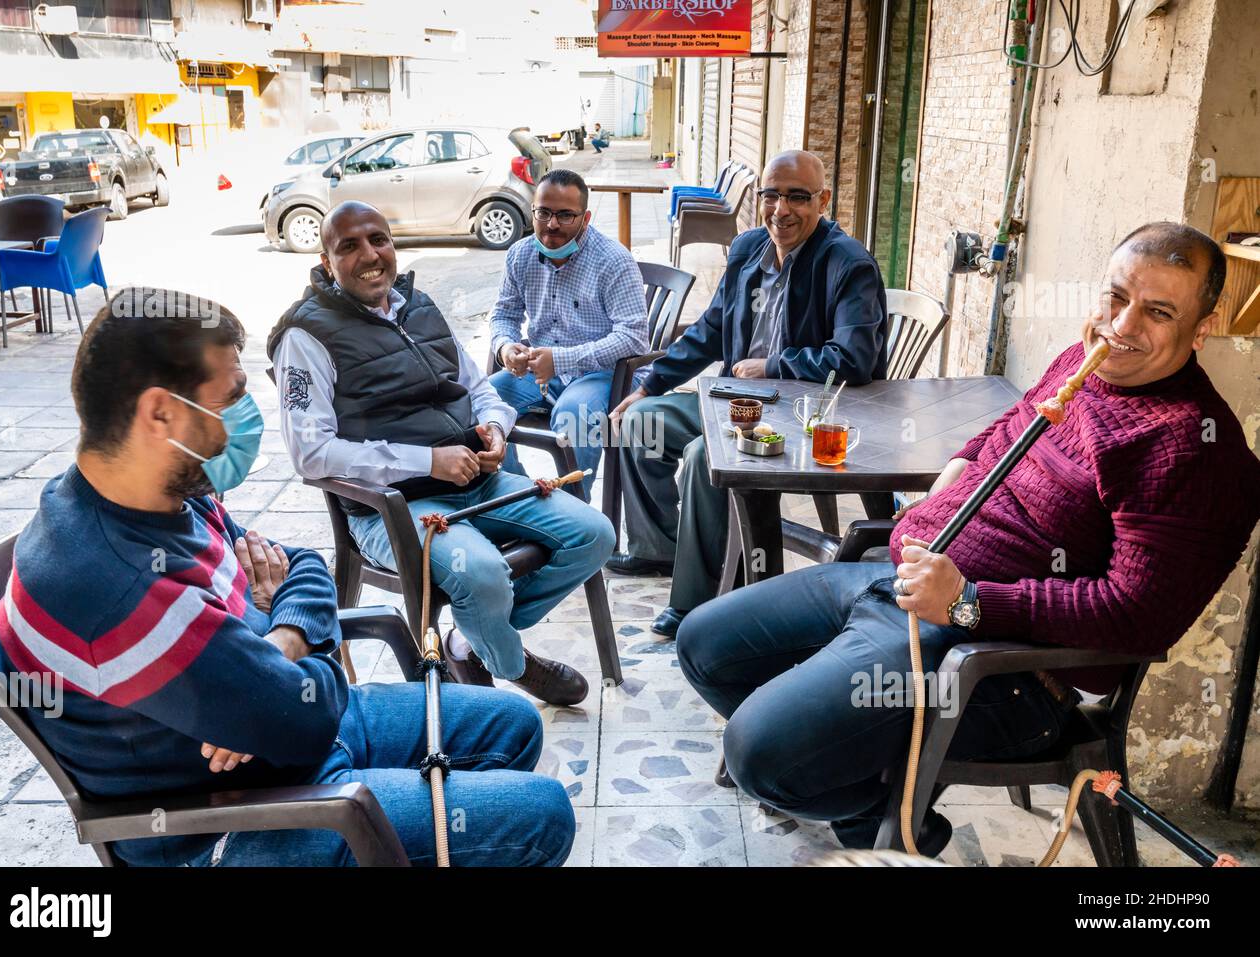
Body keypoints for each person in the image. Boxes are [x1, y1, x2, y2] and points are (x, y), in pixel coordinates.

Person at [678, 223, 1260, 857]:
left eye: (1158, 312)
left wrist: (970, 602)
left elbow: (1139, 616)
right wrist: (956, 473)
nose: (1120, 325)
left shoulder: (1195, 451)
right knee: (704, 645)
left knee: (757, 753)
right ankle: (877, 800)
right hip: (897, 584)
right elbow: (1007, 430)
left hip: (997, 669)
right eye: (1114, 297)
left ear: (1201, 330)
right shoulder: (1082, 360)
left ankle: (886, 808)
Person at [0, 287, 575, 866]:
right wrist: (284, 664)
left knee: (513, 724)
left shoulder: (153, 491)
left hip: (281, 743)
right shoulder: (118, 586)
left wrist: (279, 643)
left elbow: (307, 564)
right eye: (230, 397)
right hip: (240, 815)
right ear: (160, 412)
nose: (243, 420)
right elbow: (308, 718)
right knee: (544, 813)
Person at [268, 201, 615, 706]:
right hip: (393, 506)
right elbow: (312, 453)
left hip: (480, 484)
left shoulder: (418, 305)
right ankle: (514, 663)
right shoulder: (306, 335)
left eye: (378, 239)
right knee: (482, 573)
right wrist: (427, 462)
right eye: (349, 246)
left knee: (594, 534)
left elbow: (480, 389)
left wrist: (496, 429)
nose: (370, 255)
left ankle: (477, 640)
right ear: (326, 263)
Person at [607, 149, 888, 637]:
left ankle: (698, 600)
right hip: (736, 402)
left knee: (702, 457)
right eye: (771, 195)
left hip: (802, 415)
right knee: (640, 421)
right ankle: (661, 550)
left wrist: (774, 365)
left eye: (798, 197)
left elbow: (854, 361)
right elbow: (712, 329)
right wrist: (653, 383)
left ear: (823, 200)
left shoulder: (847, 264)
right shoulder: (747, 250)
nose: (782, 209)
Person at [489, 167, 649, 501]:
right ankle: (521, 495)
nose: (552, 224)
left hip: (607, 373)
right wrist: (505, 347)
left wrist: (560, 360)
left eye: (565, 215)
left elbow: (632, 337)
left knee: (572, 415)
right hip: (541, 370)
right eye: (543, 212)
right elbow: (504, 314)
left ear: (586, 217)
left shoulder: (613, 261)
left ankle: (574, 508)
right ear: (532, 210)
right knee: (480, 400)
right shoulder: (520, 255)